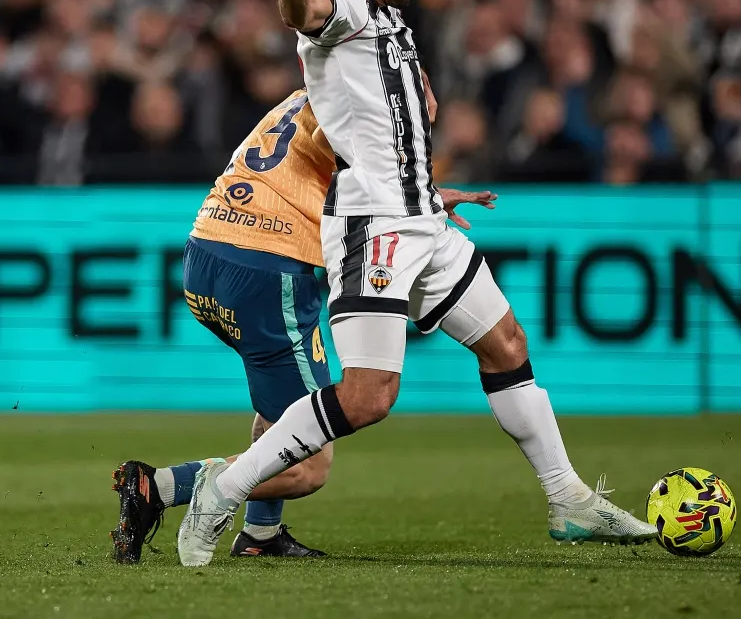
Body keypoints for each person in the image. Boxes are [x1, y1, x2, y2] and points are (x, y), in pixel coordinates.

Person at [177, 0, 657, 568]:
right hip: (374, 227)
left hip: (419, 217)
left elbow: (384, 125)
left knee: (507, 342)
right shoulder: (339, 1)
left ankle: (568, 500)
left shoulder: (386, 17)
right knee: (369, 399)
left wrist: (430, 189)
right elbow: (301, 11)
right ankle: (223, 490)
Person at [110, 82, 492, 562]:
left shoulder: (317, 86)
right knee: (308, 463)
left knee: (283, 413)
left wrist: (428, 194)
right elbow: (369, 187)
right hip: (267, 269)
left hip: (205, 253)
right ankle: (158, 487)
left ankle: (261, 536)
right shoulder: (369, 103)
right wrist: (428, 201)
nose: (428, 113)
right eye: (425, 100)